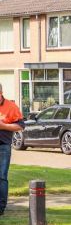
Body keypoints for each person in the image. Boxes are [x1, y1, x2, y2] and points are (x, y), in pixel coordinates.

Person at [0, 83, 25, 217]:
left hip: (3, 146)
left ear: (1, 93)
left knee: (2, 177)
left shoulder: (11, 106)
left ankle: (1, 208)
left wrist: (4, 126)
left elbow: (21, 126)